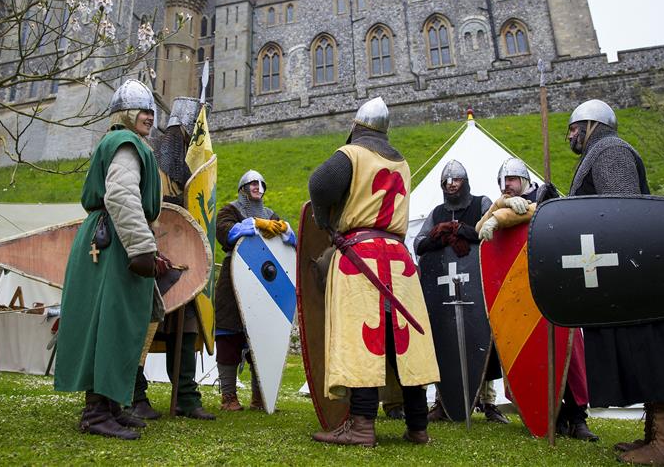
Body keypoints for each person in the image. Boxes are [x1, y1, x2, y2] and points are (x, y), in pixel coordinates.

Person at [565, 99, 664, 465]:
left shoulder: (609, 151)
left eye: (574, 128)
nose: (570, 136)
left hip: (634, 275)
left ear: (591, 124)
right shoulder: (599, 152)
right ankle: (655, 436)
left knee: (652, 351)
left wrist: (630, 269)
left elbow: (624, 211)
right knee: (637, 352)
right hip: (622, 277)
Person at [308, 96, 439, 447]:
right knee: (403, 343)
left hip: (359, 257)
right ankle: (417, 426)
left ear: (356, 126)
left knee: (362, 340)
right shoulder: (403, 163)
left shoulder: (350, 155)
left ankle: (362, 426)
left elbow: (319, 186)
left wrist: (324, 221)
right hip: (398, 260)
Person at [54, 79, 169, 440]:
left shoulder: (128, 144)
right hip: (111, 241)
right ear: (125, 114)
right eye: (142, 110)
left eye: (152, 111)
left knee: (120, 323)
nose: (149, 117)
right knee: (109, 324)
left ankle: (112, 406)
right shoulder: (125, 143)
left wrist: (146, 245)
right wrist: (140, 247)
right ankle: (96, 412)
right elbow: (120, 195)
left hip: (111, 237)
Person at [476, 157, 597, 442]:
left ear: (525, 180)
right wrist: (501, 208)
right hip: (523, 303)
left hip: (554, 292)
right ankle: (553, 416)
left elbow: (551, 217)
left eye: (513, 180)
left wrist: (519, 211)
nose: (508, 185)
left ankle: (578, 418)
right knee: (533, 360)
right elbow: (480, 229)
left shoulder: (545, 196)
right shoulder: (501, 204)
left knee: (571, 358)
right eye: (504, 181)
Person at [129, 97, 216, 421]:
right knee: (146, 326)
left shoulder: (189, 168)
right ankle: (134, 395)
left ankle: (186, 397)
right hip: (157, 257)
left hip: (187, 260)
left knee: (187, 325)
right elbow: (152, 208)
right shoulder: (156, 162)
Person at [412, 159, 509, 426]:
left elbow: (493, 234)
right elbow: (419, 244)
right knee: (445, 345)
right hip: (445, 292)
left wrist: (461, 231)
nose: (451, 184)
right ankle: (443, 403)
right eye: (446, 181)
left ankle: (489, 403)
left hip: (479, 288)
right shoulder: (436, 212)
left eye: (456, 180)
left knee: (484, 341)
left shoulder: (481, 204)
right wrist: (441, 237)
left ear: (465, 183)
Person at [214, 170, 296, 411]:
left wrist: (285, 230)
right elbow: (225, 232)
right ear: (243, 189)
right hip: (234, 279)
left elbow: (290, 243)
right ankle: (229, 396)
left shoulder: (272, 215)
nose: (258, 187)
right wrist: (252, 224)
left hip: (266, 284)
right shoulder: (230, 210)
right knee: (229, 338)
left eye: (261, 183)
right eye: (253, 183)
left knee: (263, 338)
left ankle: (261, 396)